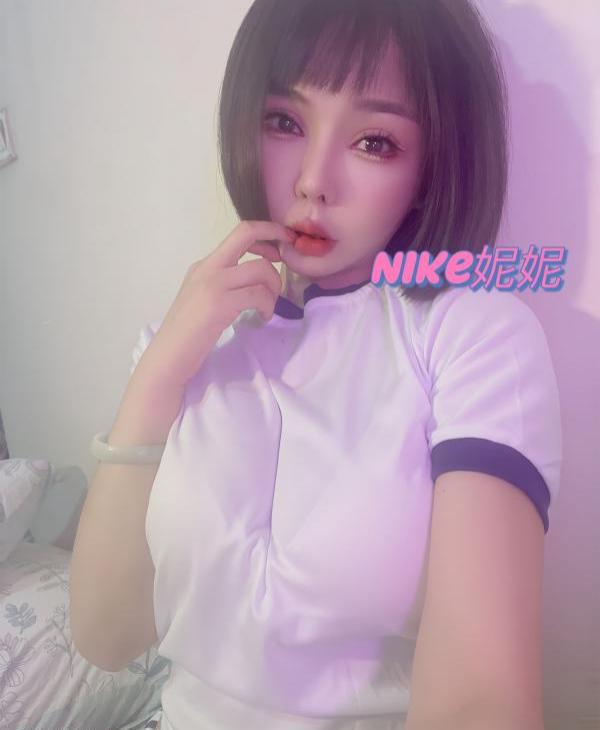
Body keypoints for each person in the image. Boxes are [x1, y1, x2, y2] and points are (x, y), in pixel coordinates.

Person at [70, 1, 562, 729]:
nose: (312, 181)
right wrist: (161, 368)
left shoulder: (473, 335)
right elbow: (106, 635)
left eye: (373, 141)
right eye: (284, 122)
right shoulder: (195, 341)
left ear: (433, 164)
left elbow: (479, 706)